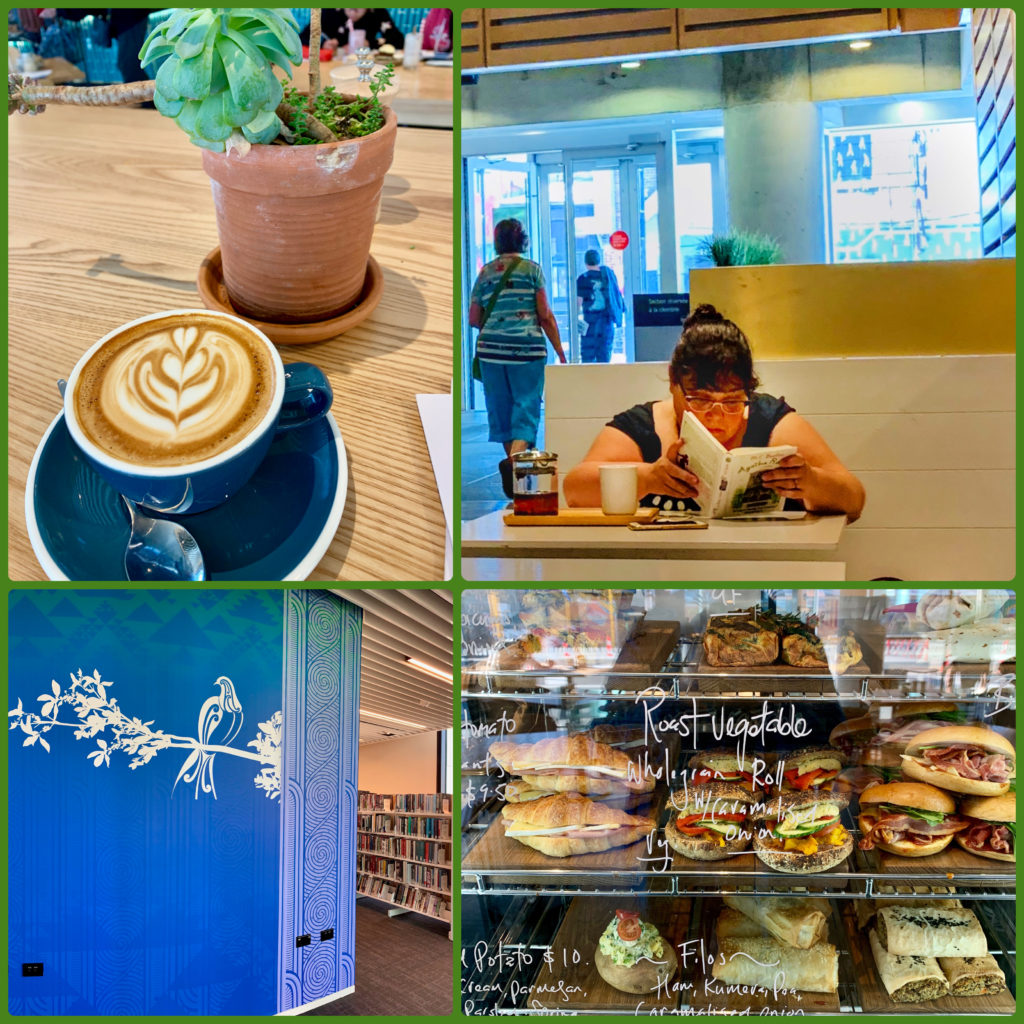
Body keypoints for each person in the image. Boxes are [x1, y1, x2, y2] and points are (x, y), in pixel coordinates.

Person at [563, 304, 866, 520]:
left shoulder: (770, 421)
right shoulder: (643, 427)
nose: (717, 415)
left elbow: (854, 499)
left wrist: (810, 481)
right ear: (673, 382)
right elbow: (575, 490)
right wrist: (648, 478)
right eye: (700, 399)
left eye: (733, 401)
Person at [469, 218, 567, 499]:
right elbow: (545, 314)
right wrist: (559, 349)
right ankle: (515, 466)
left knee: (501, 411)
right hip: (527, 350)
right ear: (523, 240)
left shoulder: (485, 272)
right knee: (526, 408)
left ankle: (518, 482)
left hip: (490, 352)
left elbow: (474, 318)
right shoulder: (532, 270)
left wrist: (498, 323)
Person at [575, 249, 625, 363]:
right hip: (607, 323)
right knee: (604, 357)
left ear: (585, 262)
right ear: (598, 261)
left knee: (588, 358)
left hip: (589, 324)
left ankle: (589, 380)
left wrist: (576, 319)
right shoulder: (609, 276)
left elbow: (578, 303)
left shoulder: (583, 279)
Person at [301, 8, 405, 52]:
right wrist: (323, 43)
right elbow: (302, 37)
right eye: (349, 8)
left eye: (358, 9)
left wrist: (370, 43)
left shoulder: (377, 12)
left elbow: (399, 41)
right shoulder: (330, 11)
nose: (353, 13)